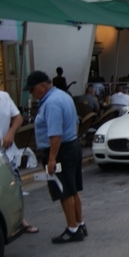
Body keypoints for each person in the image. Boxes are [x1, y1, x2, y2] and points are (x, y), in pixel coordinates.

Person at [24, 71, 86, 243]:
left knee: (64, 190)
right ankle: (79, 224)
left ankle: (72, 229)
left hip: (61, 150)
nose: (31, 94)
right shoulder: (62, 95)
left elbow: (55, 135)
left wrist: (52, 159)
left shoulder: (51, 103)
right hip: (72, 145)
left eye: (32, 89)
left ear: (42, 86)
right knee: (73, 189)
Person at [0, 70, 38, 233]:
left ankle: (20, 219)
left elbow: (18, 118)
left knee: (15, 186)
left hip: (8, 152)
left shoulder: (5, 97)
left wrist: (10, 133)